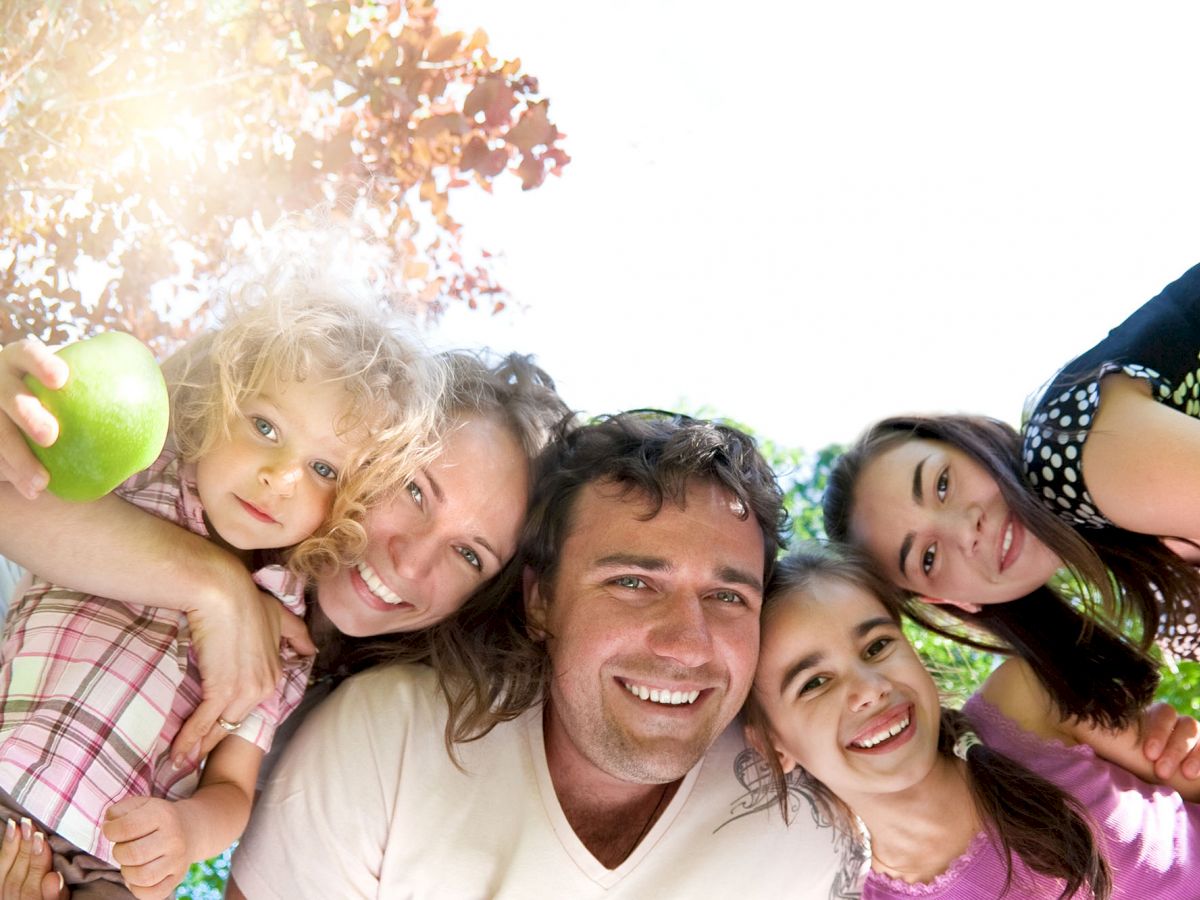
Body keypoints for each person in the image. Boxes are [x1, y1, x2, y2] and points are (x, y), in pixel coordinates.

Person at [226, 411, 861, 899]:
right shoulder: (388, 740)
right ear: (540, 603)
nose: (687, 644)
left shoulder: (809, 828)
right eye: (633, 583)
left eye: (727, 596)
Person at [0, 270, 447, 898]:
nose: (280, 477)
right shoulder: (130, 475)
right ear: (215, 402)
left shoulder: (284, 632)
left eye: (322, 468)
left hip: (111, 862)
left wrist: (185, 830)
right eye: (265, 426)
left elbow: (232, 789)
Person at [744, 543, 1200, 899]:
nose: (871, 689)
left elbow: (1189, 773)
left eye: (877, 646)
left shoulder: (1023, 700)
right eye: (814, 682)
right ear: (772, 745)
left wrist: (1183, 749)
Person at [823, 262, 1200, 672]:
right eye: (928, 557)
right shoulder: (1157, 595)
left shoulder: (1064, 451)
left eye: (943, 484)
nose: (966, 530)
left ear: (973, 441)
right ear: (952, 602)